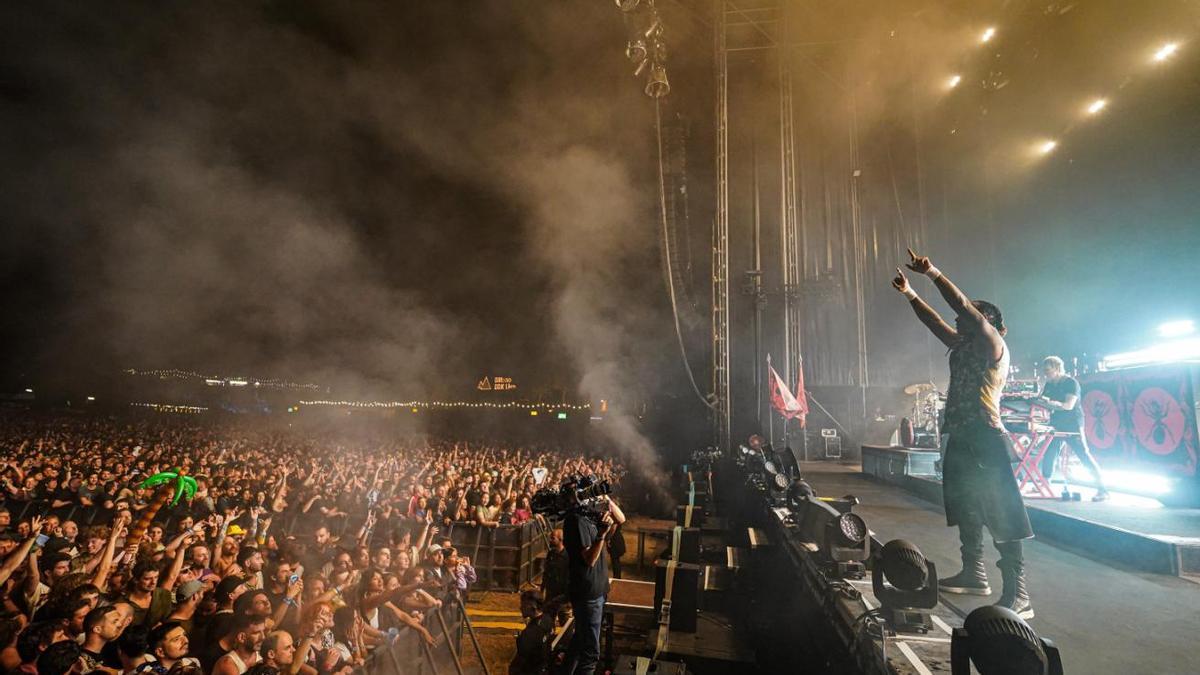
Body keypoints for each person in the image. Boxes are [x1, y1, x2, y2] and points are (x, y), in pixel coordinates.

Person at [893, 247, 1034, 619]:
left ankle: (1019, 593)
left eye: (973, 314)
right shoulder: (962, 346)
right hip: (959, 434)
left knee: (1001, 510)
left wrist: (933, 273)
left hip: (986, 436)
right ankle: (975, 573)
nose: (963, 320)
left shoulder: (993, 345)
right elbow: (936, 323)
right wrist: (910, 294)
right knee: (965, 506)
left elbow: (960, 309)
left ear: (990, 324)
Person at [561, 496, 624, 675]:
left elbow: (621, 519)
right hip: (588, 594)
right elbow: (589, 559)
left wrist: (608, 499)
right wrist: (601, 534)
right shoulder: (576, 520)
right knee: (590, 655)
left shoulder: (589, 517)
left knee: (580, 640)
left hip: (597, 591)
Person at [1037, 356, 1111, 501]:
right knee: (1049, 451)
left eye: (1048, 370)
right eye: (1044, 371)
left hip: (1072, 423)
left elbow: (1068, 405)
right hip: (1056, 422)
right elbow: (1042, 403)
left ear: (1057, 368)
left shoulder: (1071, 383)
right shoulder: (1049, 384)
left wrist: (1051, 403)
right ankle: (1045, 483)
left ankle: (1103, 490)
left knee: (1083, 455)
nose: (1046, 374)